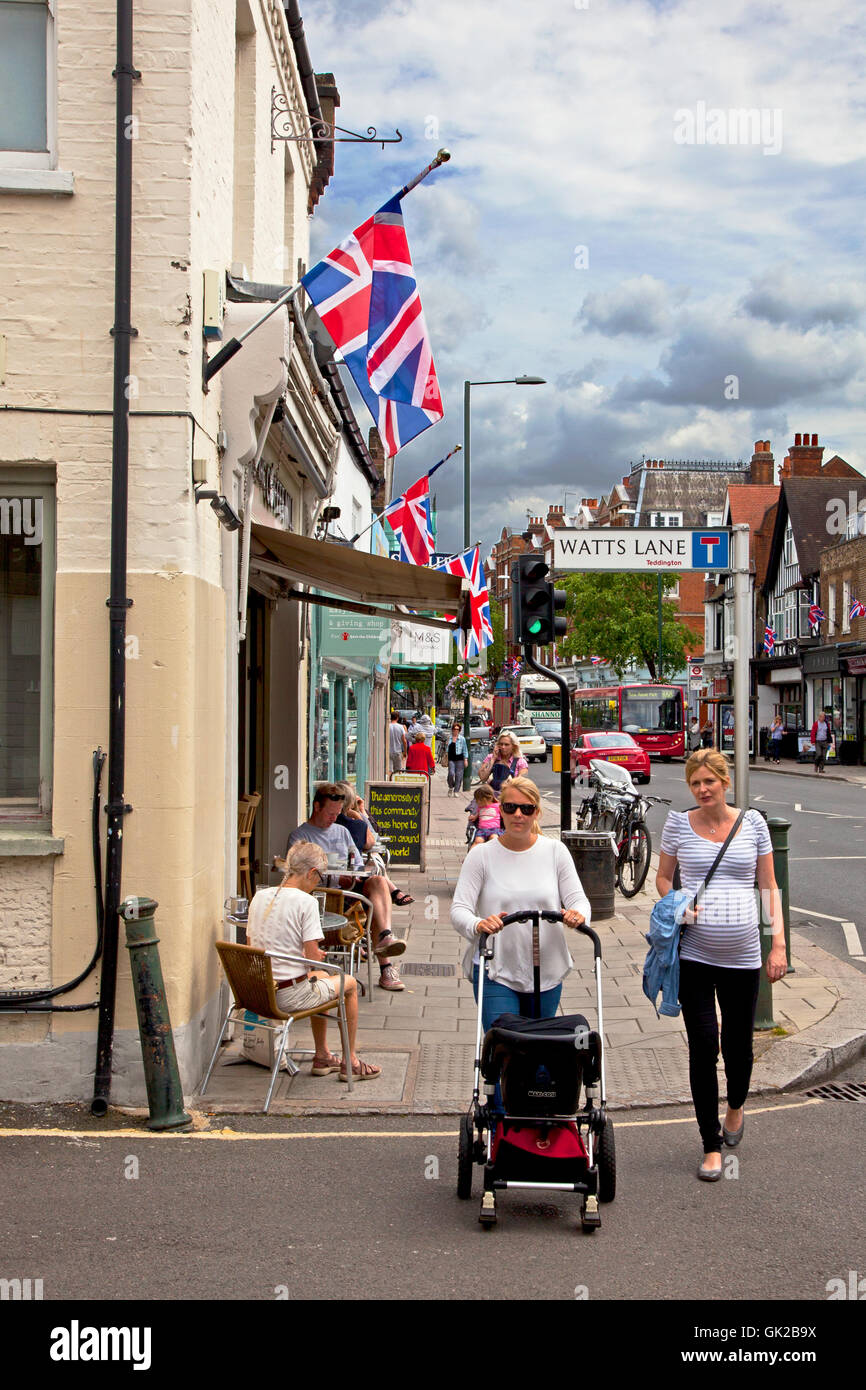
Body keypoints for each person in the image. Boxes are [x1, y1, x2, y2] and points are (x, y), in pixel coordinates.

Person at [655, 749, 786, 1181]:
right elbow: (663, 877)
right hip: (694, 955)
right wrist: (675, 903)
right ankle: (710, 1145)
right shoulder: (678, 824)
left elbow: (768, 886)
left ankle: (735, 1108)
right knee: (703, 1047)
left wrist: (778, 945)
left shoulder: (753, 825)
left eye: (709, 781)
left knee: (738, 1049)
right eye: (695, 783)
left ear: (725, 782)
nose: (702, 789)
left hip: (744, 956)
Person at [451, 775, 592, 1032]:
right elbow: (459, 909)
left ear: (536, 812)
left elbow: (578, 900)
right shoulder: (481, 856)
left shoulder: (555, 851)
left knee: (539, 1052)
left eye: (526, 808)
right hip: (496, 967)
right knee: (505, 1044)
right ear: (499, 809)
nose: (518, 814)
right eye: (510, 807)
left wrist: (578, 915)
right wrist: (479, 923)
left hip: (546, 969)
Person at [246, 841, 381, 1081]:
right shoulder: (306, 902)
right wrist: (318, 955)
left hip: (257, 993)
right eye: (320, 876)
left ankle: (323, 1056)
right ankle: (351, 1061)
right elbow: (311, 955)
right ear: (311, 873)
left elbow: (252, 947)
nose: (319, 881)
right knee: (347, 983)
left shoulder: (259, 896)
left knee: (319, 978)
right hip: (287, 997)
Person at [288, 783, 405, 991]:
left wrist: (359, 871)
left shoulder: (342, 831)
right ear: (317, 807)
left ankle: (385, 941)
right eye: (331, 813)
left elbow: (358, 864)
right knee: (373, 898)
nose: (335, 818)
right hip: (318, 900)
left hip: (348, 896)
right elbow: (296, 876)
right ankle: (385, 962)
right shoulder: (300, 836)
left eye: (338, 813)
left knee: (378, 882)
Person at [334, 783, 413, 906]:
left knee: (375, 865)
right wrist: (358, 815)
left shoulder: (354, 817)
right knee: (375, 865)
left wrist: (362, 812)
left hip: (356, 864)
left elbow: (373, 831)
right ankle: (394, 892)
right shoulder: (350, 823)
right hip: (350, 871)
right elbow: (372, 838)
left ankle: (394, 892)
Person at [478, 732, 528, 797]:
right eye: (501, 744)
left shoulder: (520, 762)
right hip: (491, 797)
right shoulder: (490, 757)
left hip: (510, 796)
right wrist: (493, 759)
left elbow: (521, 784)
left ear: (513, 746)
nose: (503, 747)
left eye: (506, 745)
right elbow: (483, 778)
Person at [446, 721, 469, 797]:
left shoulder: (462, 739)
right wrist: (447, 744)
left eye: (457, 729)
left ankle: (456, 791)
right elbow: (446, 750)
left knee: (459, 775)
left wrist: (465, 759)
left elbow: (465, 749)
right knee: (451, 774)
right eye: (454, 729)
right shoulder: (449, 738)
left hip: (460, 759)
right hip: (451, 759)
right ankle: (450, 787)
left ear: (459, 730)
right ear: (452, 730)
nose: (456, 731)